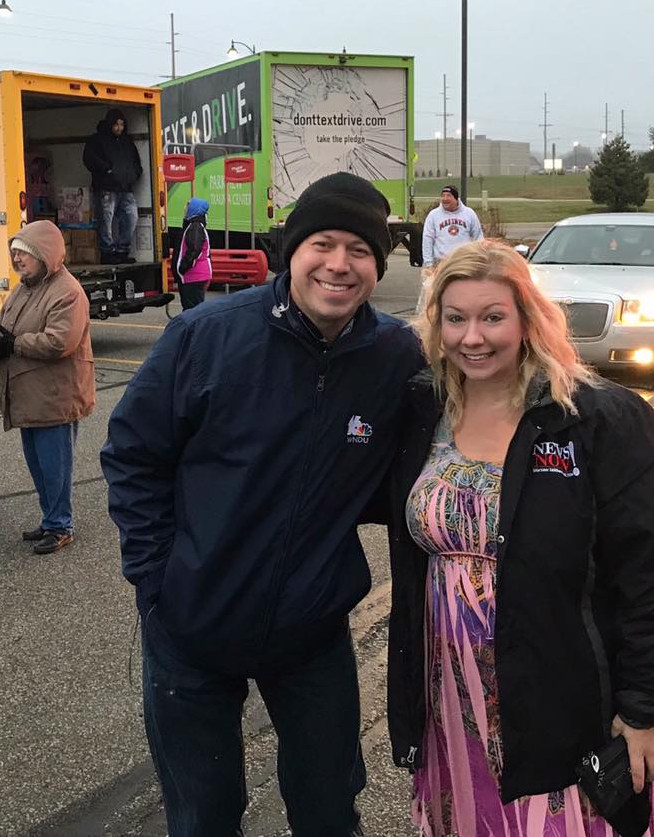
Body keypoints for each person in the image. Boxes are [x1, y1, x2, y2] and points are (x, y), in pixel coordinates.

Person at [101, 172, 425, 837]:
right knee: (204, 816)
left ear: (378, 265)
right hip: (191, 624)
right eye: (322, 244)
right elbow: (133, 454)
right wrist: (157, 578)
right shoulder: (207, 336)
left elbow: (446, 441)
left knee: (329, 811)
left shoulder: (396, 357)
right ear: (291, 251)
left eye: (359, 251)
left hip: (312, 631)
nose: (339, 264)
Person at [385, 240, 654, 837]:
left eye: (492, 317)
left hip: (557, 693)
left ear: (528, 319)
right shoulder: (424, 409)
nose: (472, 337)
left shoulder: (592, 419)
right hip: (448, 692)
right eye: (456, 318)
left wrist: (647, 708)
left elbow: (652, 574)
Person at [0, 220, 95, 555]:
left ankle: (60, 525)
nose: (17, 259)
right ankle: (50, 519)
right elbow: (4, 326)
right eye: (15, 253)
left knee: (54, 467)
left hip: (54, 396)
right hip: (30, 395)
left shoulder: (67, 291)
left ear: (44, 254)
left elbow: (60, 341)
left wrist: (15, 344)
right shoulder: (25, 288)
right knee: (39, 465)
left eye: (24, 253)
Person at [82, 107, 142, 265]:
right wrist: (107, 170)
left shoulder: (127, 141)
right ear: (110, 124)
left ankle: (122, 251)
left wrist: (134, 175)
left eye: (122, 124)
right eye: (116, 124)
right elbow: (89, 159)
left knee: (131, 218)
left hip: (125, 188)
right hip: (106, 188)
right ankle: (107, 252)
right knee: (106, 222)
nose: (119, 128)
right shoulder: (97, 140)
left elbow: (136, 162)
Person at [418, 186, 484, 314]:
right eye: (443, 196)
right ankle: (433, 315)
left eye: (448, 196)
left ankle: (462, 312)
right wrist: (428, 263)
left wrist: (479, 257)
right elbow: (427, 239)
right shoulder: (434, 215)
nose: (445, 199)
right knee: (436, 292)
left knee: (462, 290)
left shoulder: (469, 213)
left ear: (456, 198)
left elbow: (478, 237)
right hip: (440, 262)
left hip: (463, 262)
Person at [170, 197, 212, 310]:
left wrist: (182, 268)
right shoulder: (194, 225)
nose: (185, 208)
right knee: (193, 309)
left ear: (194, 209)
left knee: (192, 311)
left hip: (193, 276)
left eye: (188, 206)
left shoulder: (195, 226)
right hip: (194, 276)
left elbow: (194, 249)